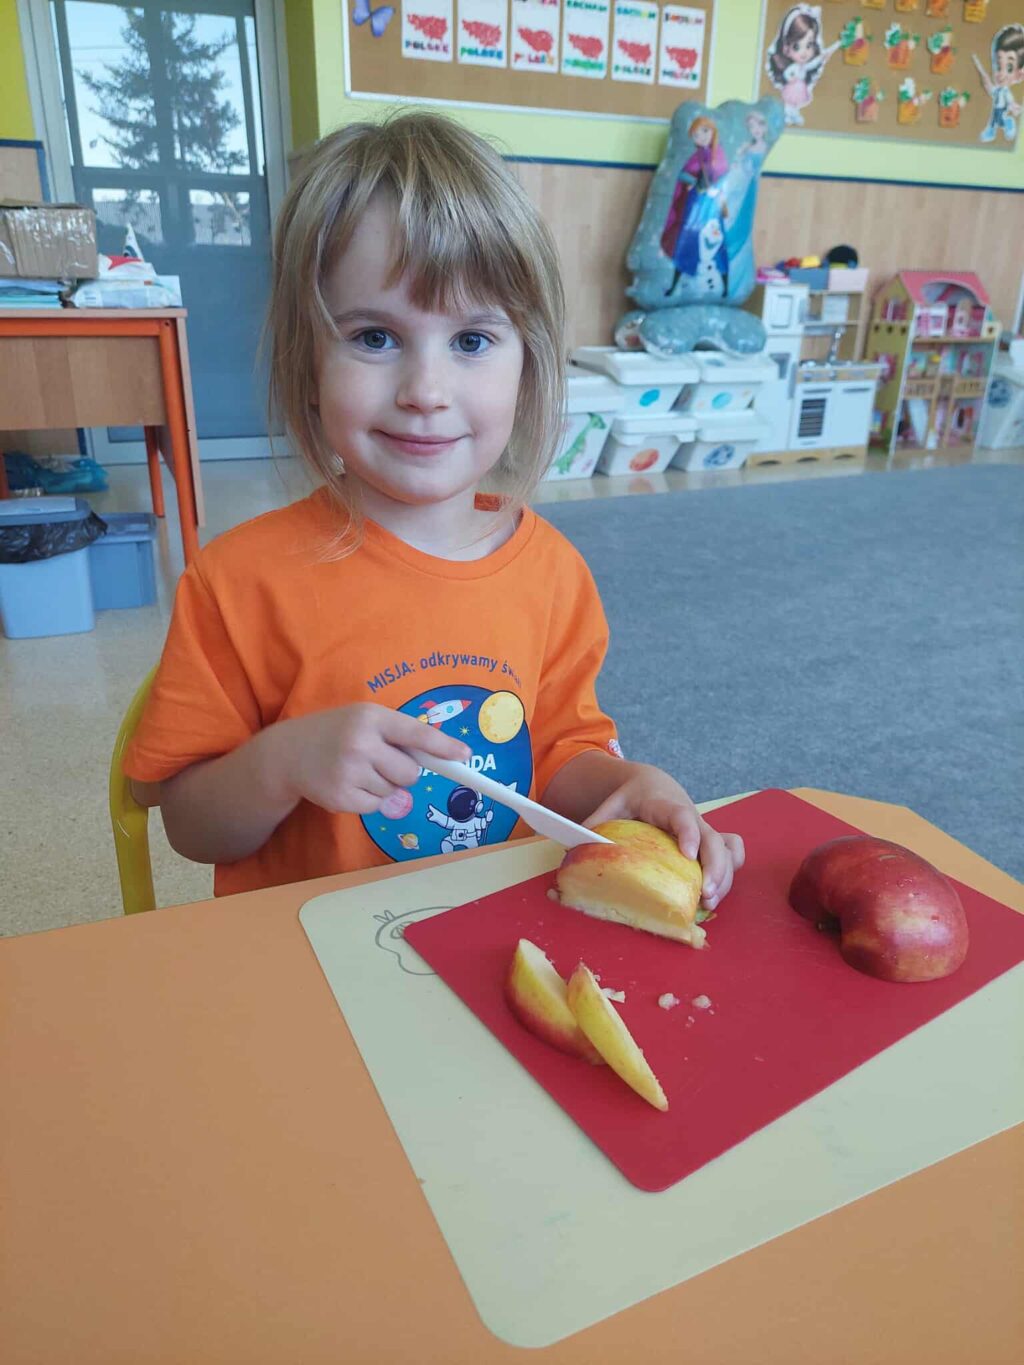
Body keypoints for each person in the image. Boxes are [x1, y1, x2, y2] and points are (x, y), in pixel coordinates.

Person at [125, 111, 745, 906]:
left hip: (488, 938)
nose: (425, 391)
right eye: (374, 337)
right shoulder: (238, 581)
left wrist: (631, 784)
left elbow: (557, 756)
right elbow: (190, 825)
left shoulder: (554, 575)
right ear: (305, 359)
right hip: (308, 949)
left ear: (528, 364)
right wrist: (282, 762)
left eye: (472, 341)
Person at [660, 115, 730, 298]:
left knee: (716, 241)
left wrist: (716, 188)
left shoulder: (719, 154)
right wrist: (694, 182)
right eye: (696, 134)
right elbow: (683, 175)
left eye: (705, 131)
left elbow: (725, 176)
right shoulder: (696, 156)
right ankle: (674, 286)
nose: (702, 137)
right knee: (688, 241)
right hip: (696, 203)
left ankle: (725, 288)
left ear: (713, 131)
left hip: (712, 205)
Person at [765, 5, 839, 127]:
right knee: (789, 102)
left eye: (809, 45)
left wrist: (825, 55)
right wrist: (791, 78)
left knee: (794, 103)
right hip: (792, 87)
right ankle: (787, 114)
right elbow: (788, 73)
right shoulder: (792, 67)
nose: (804, 53)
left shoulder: (804, 66)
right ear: (786, 47)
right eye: (797, 47)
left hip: (800, 88)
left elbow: (813, 64)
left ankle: (793, 114)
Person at [974, 24, 1024, 144]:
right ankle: (991, 131)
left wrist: (1013, 106)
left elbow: (1009, 101)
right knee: (993, 121)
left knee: (999, 120)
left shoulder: (1006, 91)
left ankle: (1008, 122)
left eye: (1009, 68)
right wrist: (986, 81)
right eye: (998, 65)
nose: (1001, 74)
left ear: (1019, 74)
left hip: (1001, 109)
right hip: (996, 109)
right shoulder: (999, 90)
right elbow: (992, 90)